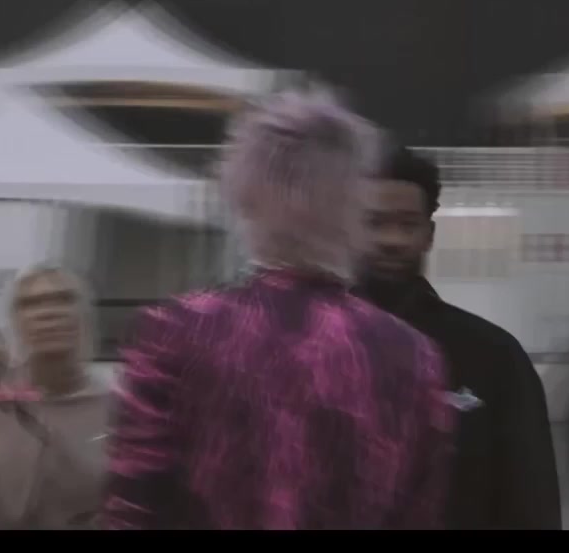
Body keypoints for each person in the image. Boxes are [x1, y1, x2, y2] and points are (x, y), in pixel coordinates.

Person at [103, 90, 455, 530]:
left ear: (247, 197)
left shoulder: (174, 332)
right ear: (353, 204)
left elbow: (132, 510)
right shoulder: (416, 357)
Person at [356, 144, 562, 530]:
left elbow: (531, 499)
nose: (392, 240)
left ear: (429, 234)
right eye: (375, 223)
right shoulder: (307, 352)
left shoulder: (492, 356)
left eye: (407, 225)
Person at [0, 265, 112, 529]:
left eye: (63, 299)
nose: (48, 313)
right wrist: (0, 391)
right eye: (31, 303)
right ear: (15, 323)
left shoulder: (115, 408)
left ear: (84, 318)